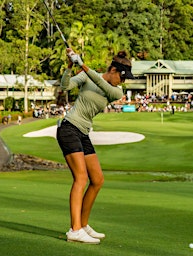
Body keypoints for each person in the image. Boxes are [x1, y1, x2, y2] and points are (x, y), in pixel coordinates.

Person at [57, 49, 134, 244]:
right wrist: (69, 65)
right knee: (81, 177)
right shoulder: (86, 76)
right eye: (122, 77)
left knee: (97, 179)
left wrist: (82, 63)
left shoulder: (116, 91)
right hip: (69, 128)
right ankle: (74, 230)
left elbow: (100, 82)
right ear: (114, 70)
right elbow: (64, 86)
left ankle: (82, 225)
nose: (122, 82)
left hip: (83, 132)